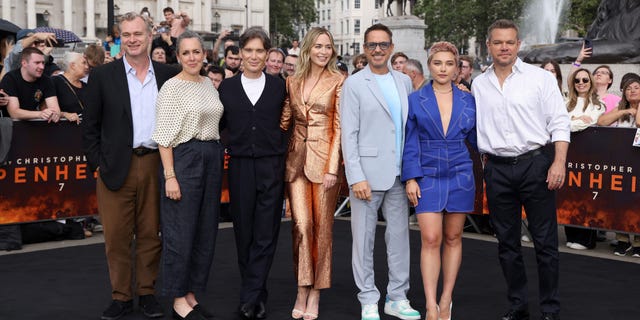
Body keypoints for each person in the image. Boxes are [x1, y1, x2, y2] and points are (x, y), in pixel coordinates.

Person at [82, 12, 179, 320]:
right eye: (126, 34)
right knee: (116, 236)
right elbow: (90, 126)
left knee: (152, 233)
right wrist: (97, 162)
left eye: (138, 33)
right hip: (114, 167)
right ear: (120, 39)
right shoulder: (102, 76)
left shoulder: (168, 75)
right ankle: (121, 296)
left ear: (150, 35)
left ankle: (147, 293)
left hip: (156, 164)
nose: (133, 39)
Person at [472, 19, 570, 320]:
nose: (504, 47)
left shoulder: (539, 79)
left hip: (535, 165)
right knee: (507, 245)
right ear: (489, 46)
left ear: (518, 45)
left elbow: (559, 122)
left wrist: (558, 161)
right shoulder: (479, 83)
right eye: (498, 42)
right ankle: (518, 307)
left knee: (545, 244)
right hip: (497, 170)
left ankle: (550, 310)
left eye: (510, 42)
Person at [340, 23, 421, 320]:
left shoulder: (403, 81)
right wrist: (356, 176)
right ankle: (368, 298)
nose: (377, 50)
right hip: (367, 175)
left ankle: (397, 297)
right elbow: (348, 133)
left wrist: (412, 171)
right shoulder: (354, 83)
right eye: (372, 45)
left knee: (399, 239)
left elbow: (408, 129)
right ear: (364, 48)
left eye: (383, 44)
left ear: (391, 46)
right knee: (363, 242)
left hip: (400, 174)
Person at [152, 30, 224, 320]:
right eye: (186, 53)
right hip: (184, 159)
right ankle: (178, 299)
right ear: (178, 56)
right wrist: (170, 176)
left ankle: (192, 294)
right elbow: (163, 139)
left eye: (197, 52)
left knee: (205, 231)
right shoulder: (171, 87)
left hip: (211, 157)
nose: (192, 57)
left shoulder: (208, 83)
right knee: (179, 233)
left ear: (204, 54)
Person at [402, 41, 477, 320]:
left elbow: (479, 139)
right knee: (430, 238)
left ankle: (446, 299)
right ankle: (430, 304)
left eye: (449, 64)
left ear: (457, 68)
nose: (443, 69)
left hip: (460, 171)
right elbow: (409, 142)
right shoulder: (415, 99)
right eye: (437, 63)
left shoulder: (469, 99)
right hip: (427, 171)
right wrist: (411, 178)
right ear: (429, 65)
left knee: (453, 236)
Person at [218, 26, 288, 320]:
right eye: (249, 50)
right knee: (244, 232)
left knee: (266, 233)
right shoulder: (227, 88)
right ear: (240, 53)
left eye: (260, 50)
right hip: (240, 166)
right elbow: (219, 126)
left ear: (268, 53)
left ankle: (251, 296)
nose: (254, 56)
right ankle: (256, 292)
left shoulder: (279, 87)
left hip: (272, 166)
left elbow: (289, 124)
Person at [279, 27, 344, 320]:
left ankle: (315, 292)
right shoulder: (292, 81)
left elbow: (340, 127)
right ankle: (301, 287)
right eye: (318, 46)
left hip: (325, 163)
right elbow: (284, 121)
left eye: (327, 47)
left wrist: (333, 168)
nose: (323, 51)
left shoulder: (339, 80)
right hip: (296, 162)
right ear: (307, 49)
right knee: (301, 227)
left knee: (322, 231)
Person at [562, 68, 605, 251]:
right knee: (568, 194)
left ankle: (586, 239)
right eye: (577, 80)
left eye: (585, 80)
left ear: (591, 82)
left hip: (589, 155)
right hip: (566, 153)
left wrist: (574, 120)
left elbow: (590, 122)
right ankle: (571, 235)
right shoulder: (565, 103)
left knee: (587, 196)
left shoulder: (598, 105)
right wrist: (577, 118)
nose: (581, 83)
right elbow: (561, 123)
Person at [0, 47, 61, 122]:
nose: (42, 67)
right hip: (11, 126)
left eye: (43, 63)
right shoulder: (10, 78)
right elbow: (14, 113)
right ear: (24, 63)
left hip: (34, 125)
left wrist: (54, 114)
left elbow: (55, 109)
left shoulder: (46, 80)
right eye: (37, 63)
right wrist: (40, 114)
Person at [52, 51, 89, 125]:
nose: (87, 67)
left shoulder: (86, 86)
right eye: (84, 63)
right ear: (72, 65)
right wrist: (64, 114)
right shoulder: (55, 81)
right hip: (62, 130)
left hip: (84, 131)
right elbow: (45, 109)